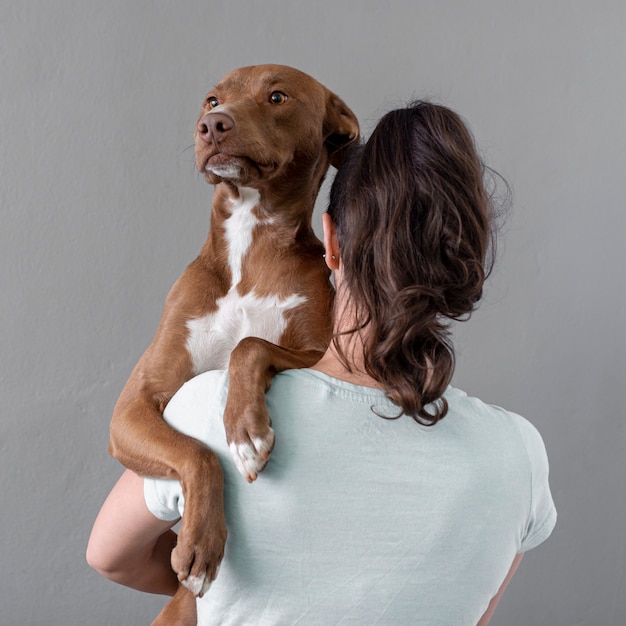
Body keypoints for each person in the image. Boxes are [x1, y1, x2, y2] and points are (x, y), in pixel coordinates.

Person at [87, 101, 556, 625]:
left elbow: (110, 557)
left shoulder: (214, 412)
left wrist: (233, 584)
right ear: (464, 260)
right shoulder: (518, 456)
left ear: (330, 243)